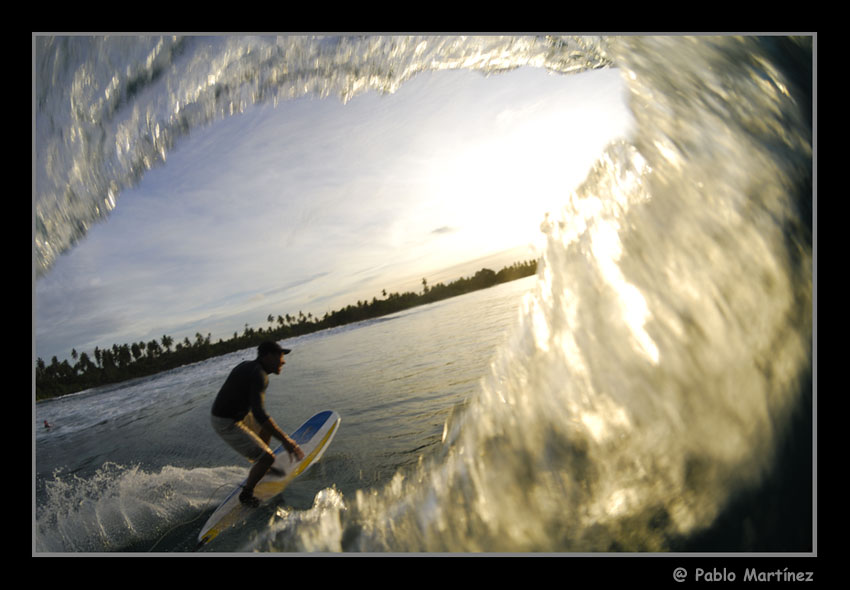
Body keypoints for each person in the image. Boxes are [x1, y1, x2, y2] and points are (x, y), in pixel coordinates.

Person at [210, 341, 304, 507]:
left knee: (267, 427)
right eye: (280, 356)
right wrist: (286, 441)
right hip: (226, 422)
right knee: (268, 457)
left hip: (238, 415)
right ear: (267, 356)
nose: (283, 361)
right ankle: (246, 494)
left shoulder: (252, 368)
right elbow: (260, 414)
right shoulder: (258, 374)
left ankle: (263, 465)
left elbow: (260, 415)